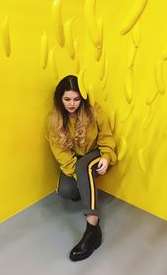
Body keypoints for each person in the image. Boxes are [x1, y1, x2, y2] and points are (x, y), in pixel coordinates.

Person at [46, 75, 117, 261]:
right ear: (60, 99)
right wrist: (81, 179)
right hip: (75, 160)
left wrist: (107, 156)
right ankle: (84, 189)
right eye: (67, 99)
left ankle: (93, 230)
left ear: (82, 98)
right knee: (65, 191)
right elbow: (61, 154)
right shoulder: (54, 121)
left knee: (84, 166)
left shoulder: (94, 111)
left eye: (76, 99)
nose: (72, 104)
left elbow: (107, 137)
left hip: (95, 155)